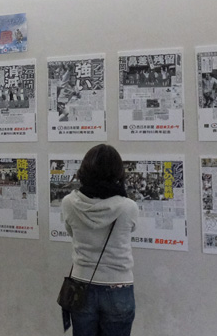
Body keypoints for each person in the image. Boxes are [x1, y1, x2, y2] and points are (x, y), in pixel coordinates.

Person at [62, 144, 139, 336]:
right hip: (119, 286)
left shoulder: (69, 203)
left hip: (81, 284)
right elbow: (131, 230)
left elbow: (71, 232)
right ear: (118, 172)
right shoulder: (128, 207)